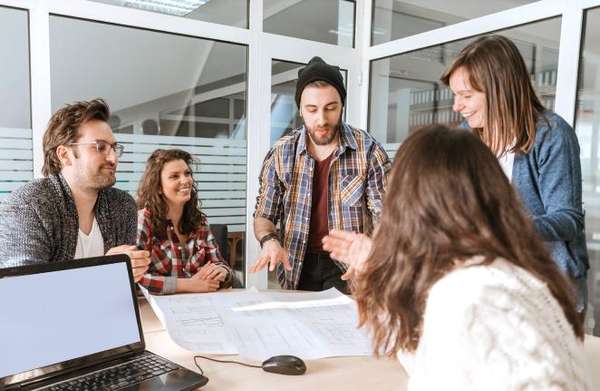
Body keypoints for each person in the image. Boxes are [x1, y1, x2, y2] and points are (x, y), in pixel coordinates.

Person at [324, 126, 592, 390]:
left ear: (413, 210)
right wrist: (375, 270)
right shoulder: (502, 275)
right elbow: (432, 363)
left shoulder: (470, 296)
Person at [440, 34, 589, 311]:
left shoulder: (552, 135)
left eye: (466, 96)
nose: (456, 106)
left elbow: (567, 219)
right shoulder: (466, 136)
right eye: (455, 96)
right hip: (489, 281)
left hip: (545, 285)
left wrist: (503, 227)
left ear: (499, 90)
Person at [250, 56, 391, 292]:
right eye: (312, 110)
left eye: (331, 108)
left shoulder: (369, 151)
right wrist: (269, 240)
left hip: (349, 268)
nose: (322, 119)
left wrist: (373, 253)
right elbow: (264, 215)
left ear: (342, 105)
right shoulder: (280, 153)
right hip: (297, 263)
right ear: (300, 110)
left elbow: (388, 219)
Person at [0, 99, 150, 282]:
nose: (112, 158)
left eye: (114, 148)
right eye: (99, 147)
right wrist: (105, 272)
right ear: (64, 155)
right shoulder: (28, 205)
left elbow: (123, 288)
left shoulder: (122, 205)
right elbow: (22, 293)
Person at [136, 149, 233, 294]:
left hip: (200, 304)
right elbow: (137, 277)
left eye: (187, 173)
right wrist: (189, 285)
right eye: (174, 176)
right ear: (158, 187)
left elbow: (219, 262)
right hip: (158, 309)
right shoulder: (143, 220)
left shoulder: (199, 222)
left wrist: (222, 271)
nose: (186, 180)